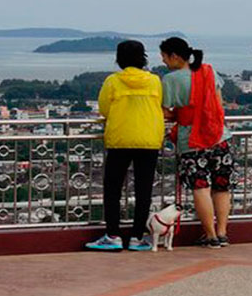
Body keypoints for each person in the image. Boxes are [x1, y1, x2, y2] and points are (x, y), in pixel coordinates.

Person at [86, 40, 165, 252]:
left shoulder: (113, 81)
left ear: (119, 58)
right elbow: (160, 105)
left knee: (113, 189)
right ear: (143, 58)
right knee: (144, 190)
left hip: (120, 139)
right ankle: (137, 237)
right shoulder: (155, 81)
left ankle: (113, 235)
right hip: (149, 139)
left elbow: (104, 109)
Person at [160, 37, 233, 249]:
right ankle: (222, 233)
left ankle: (210, 235)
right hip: (220, 136)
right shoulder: (209, 71)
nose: (164, 61)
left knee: (200, 187)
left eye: (164, 57)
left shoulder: (171, 79)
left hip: (191, 140)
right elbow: (219, 104)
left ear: (174, 56)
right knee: (222, 187)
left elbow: (166, 111)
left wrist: (181, 115)